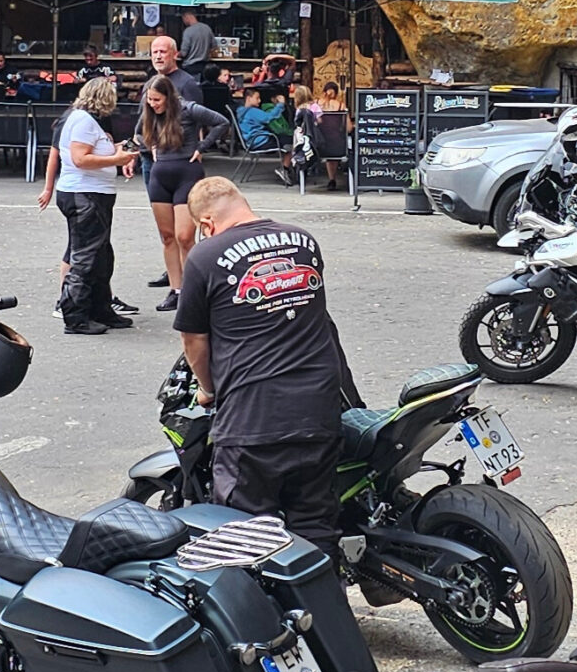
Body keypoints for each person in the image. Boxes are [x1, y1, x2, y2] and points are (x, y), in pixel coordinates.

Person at [177, 177, 358, 558]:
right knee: (314, 526)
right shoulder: (303, 240)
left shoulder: (205, 256)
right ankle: (326, 610)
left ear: (206, 224)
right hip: (318, 411)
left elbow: (194, 341)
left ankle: (259, 615)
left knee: (243, 534)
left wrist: (208, 388)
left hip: (253, 418)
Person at [41, 78, 138, 335]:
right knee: (85, 257)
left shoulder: (83, 119)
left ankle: (100, 308)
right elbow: (80, 158)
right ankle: (74, 315)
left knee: (101, 255)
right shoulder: (83, 120)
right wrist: (117, 158)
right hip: (85, 194)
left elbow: (93, 151)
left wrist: (120, 149)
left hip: (91, 193)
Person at [137, 74, 215, 314]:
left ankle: (194, 289)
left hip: (186, 173)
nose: (153, 104)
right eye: (150, 100)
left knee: (184, 236)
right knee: (168, 236)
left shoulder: (189, 109)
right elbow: (137, 132)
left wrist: (201, 147)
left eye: (157, 100)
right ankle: (176, 289)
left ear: (168, 97)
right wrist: (148, 146)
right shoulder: (150, 112)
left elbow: (221, 122)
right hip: (160, 175)